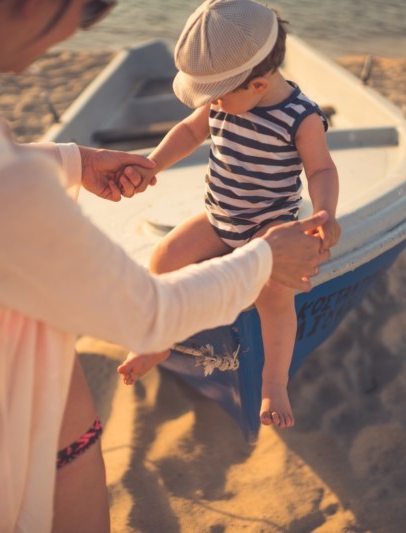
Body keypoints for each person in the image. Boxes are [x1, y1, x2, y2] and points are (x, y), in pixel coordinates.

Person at [0, 0, 331, 531]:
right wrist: (265, 258)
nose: (76, 31)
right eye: (88, 12)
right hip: (13, 468)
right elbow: (149, 315)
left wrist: (73, 161)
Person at [116, 0, 341, 430]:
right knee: (163, 260)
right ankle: (160, 340)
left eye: (217, 95)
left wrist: (326, 211)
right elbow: (188, 131)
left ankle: (274, 382)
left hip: (268, 225)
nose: (211, 104)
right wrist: (153, 164)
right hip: (221, 216)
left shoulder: (300, 118)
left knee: (274, 294)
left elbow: (321, 168)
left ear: (257, 84)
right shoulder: (224, 101)